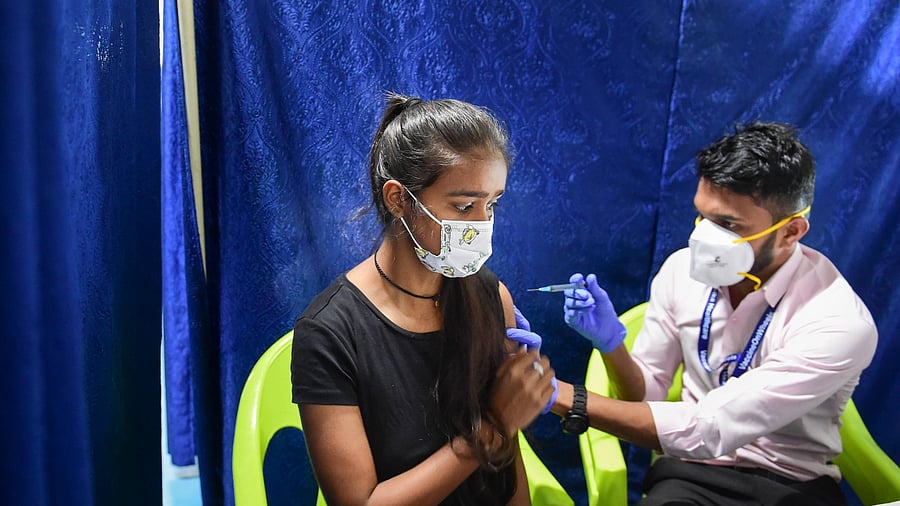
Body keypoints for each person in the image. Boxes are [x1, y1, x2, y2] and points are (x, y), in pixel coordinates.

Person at [519, 122, 878, 505]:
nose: (704, 239)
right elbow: (646, 395)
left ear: (791, 232)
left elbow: (712, 428)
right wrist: (612, 345)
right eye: (702, 217)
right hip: (690, 476)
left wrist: (558, 395)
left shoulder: (837, 321)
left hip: (791, 484)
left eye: (727, 225)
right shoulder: (681, 270)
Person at [291, 93, 556, 506]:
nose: (483, 225)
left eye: (493, 204)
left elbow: (508, 465)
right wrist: (492, 427)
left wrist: (512, 417)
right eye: (465, 205)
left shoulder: (490, 297)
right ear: (398, 199)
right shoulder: (329, 334)